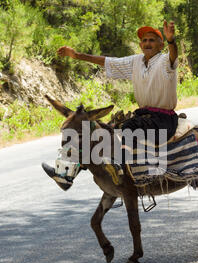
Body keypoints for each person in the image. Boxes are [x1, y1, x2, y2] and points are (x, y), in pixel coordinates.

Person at [43, 21, 179, 190]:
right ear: (140, 45)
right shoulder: (136, 61)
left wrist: (172, 40)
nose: (147, 43)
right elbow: (108, 62)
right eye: (144, 41)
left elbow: (173, 55)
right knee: (102, 131)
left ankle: (119, 166)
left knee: (129, 127)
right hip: (144, 116)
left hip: (163, 119)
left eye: (152, 40)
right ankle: (65, 175)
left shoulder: (166, 61)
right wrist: (77, 55)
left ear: (161, 44)